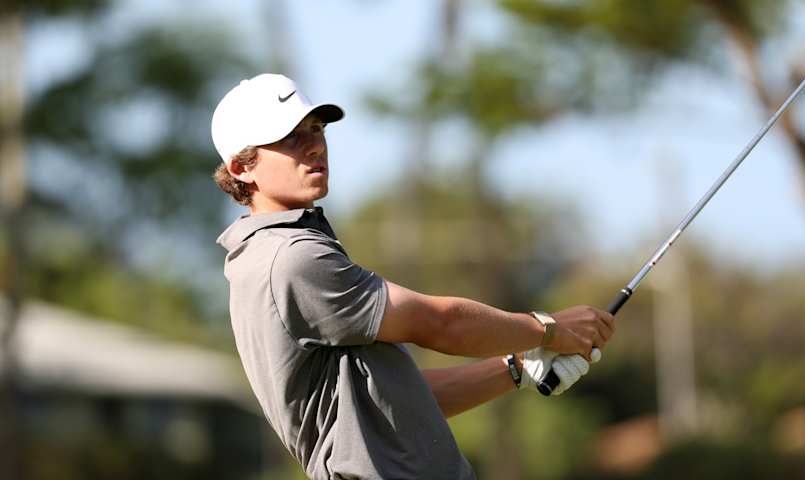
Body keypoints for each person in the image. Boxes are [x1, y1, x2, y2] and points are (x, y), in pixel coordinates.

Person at [211, 74, 616, 480]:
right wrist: (547, 329)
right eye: (290, 137)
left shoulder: (272, 254)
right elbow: (439, 323)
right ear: (242, 167)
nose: (316, 144)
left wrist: (518, 366)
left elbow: (398, 402)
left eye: (316, 128)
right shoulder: (293, 259)